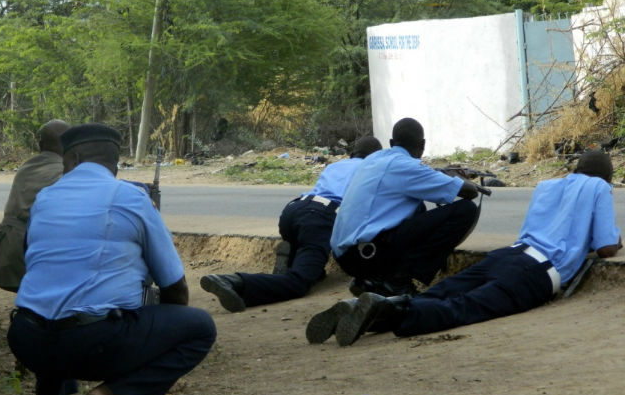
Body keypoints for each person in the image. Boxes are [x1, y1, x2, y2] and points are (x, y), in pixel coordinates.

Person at [308, 149, 622, 347]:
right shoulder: (598, 187)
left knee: (446, 290)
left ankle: (384, 305)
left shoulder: (546, 186)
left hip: (508, 254)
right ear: (606, 177)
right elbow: (606, 247)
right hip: (536, 272)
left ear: (576, 168)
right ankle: (396, 311)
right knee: (468, 307)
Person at [7, 123, 216, 395]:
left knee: (56, 307)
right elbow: (175, 287)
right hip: (92, 345)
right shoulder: (131, 198)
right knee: (200, 326)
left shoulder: (44, 199)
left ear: (74, 159)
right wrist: (158, 334)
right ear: (114, 164)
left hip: (26, 340)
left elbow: (33, 262)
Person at [200, 136, 383, 312]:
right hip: (320, 220)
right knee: (298, 283)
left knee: (312, 263)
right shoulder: (373, 169)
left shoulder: (335, 166)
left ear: (351, 155)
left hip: (294, 210)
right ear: (376, 156)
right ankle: (236, 282)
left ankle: (294, 253)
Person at [330, 117, 480, 299]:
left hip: (348, 255)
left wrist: (438, 174)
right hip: (365, 255)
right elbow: (469, 192)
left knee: (417, 207)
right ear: (422, 144)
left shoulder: (374, 159)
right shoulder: (406, 166)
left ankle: (374, 280)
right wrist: (456, 177)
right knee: (466, 210)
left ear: (392, 143)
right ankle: (397, 282)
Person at [0, 119, 70, 292]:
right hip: (33, 255)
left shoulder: (26, 167)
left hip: (8, 255)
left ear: (40, 144)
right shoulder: (64, 172)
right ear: (70, 145)